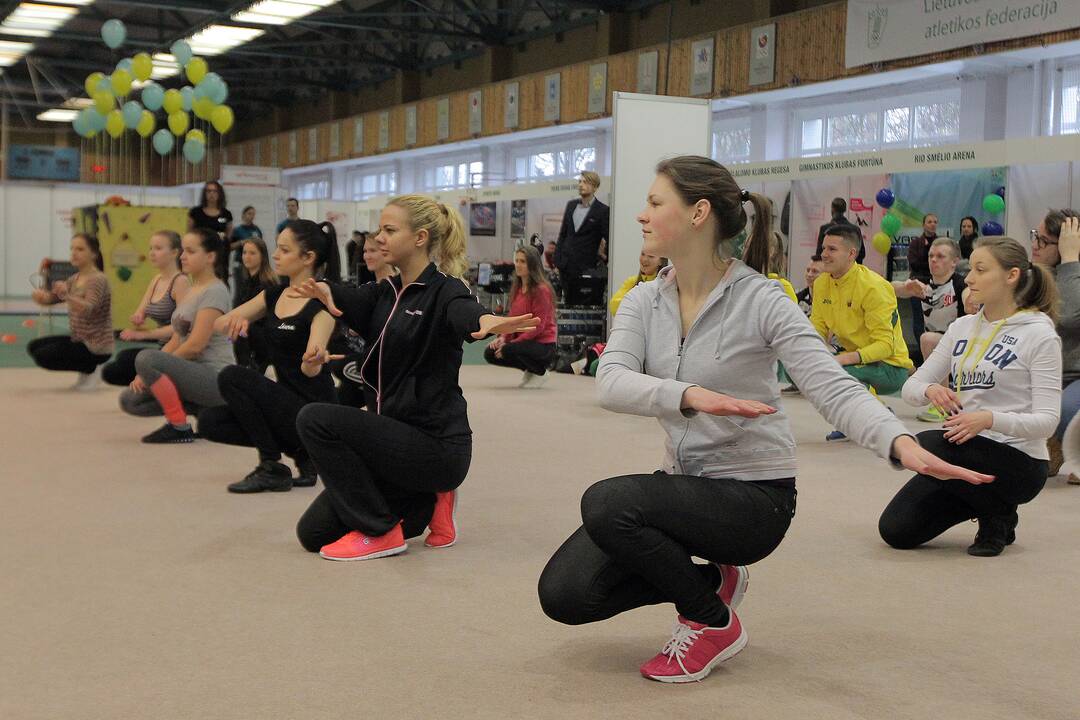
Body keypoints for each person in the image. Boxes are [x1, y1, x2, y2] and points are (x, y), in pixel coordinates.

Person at [535, 155, 991, 684]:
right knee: (565, 595)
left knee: (607, 501)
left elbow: (831, 385)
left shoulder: (763, 298)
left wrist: (899, 442)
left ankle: (712, 624)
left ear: (698, 213)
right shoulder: (645, 299)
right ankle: (710, 582)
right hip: (684, 487)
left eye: (655, 202)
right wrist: (691, 396)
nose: (641, 215)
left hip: (754, 498)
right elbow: (610, 380)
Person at [287, 194, 539, 561]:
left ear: (420, 237)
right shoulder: (384, 293)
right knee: (313, 534)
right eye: (379, 230)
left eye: (390, 230)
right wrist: (324, 290)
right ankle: (428, 500)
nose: (379, 239)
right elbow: (348, 299)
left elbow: (465, 312)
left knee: (315, 419)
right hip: (392, 442)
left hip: (436, 447)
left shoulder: (446, 290)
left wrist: (485, 322)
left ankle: (382, 530)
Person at [880, 236, 1060, 557]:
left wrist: (989, 419)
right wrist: (930, 388)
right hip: (963, 452)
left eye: (980, 269)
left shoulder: (1039, 333)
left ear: (1011, 275)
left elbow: (1047, 423)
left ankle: (998, 515)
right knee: (896, 530)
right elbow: (911, 388)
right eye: (970, 269)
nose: (970, 278)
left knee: (928, 443)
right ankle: (988, 504)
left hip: (1019, 462)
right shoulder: (961, 327)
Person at [197, 221, 340, 493]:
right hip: (285, 407)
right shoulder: (273, 295)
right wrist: (235, 322)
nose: (275, 255)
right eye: (277, 248)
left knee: (232, 376)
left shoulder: (322, 304)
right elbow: (220, 324)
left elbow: (312, 368)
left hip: (314, 413)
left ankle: (272, 465)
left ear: (308, 258)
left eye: (284, 250)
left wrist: (313, 359)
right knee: (209, 422)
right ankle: (302, 455)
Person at [118, 228, 232, 443]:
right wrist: (146, 374)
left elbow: (196, 345)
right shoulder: (192, 290)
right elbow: (177, 338)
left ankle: (179, 425)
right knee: (130, 400)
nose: (182, 256)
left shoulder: (215, 291)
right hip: (190, 373)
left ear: (210, 257)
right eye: (183, 251)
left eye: (190, 251)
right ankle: (199, 407)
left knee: (146, 358)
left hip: (215, 377)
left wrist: (156, 365)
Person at [812, 224, 913, 442]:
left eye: (831, 249)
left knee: (837, 372)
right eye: (823, 248)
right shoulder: (821, 284)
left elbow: (885, 345)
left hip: (890, 366)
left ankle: (870, 417)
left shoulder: (873, 287)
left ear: (851, 253)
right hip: (855, 360)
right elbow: (817, 329)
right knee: (805, 368)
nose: (824, 255)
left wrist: (839, 360)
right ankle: (867, 415)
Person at [102, 231, 190, 386]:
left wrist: (142, 335)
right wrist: (138, 317)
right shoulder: (156, 279)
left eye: (158, 248)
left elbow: (181, 329)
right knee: (118, 362)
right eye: (151, 248)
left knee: (120, 366)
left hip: (178, 349)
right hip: (161, 345)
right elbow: (141, 310)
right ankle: (155, 386)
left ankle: (165, 386)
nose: (152, 253)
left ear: (174, 252)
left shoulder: (181, 282)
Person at [28, 234, 114, 390]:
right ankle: (86, 368)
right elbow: (53, 299)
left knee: (44, 355)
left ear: (93, 254)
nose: (74, 253)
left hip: (96, 346)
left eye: (80, 249)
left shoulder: (98, 279)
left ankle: (94, 367)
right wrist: (41, 297)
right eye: (72, 249)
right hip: (79, 339)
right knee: (34, 347)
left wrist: (67, 295)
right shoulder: (74, 278)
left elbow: (89, 308)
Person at [893, 238, 967, 416]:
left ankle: (944, 403)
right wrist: (905, 286)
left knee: (928, 339)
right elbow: (888, 288)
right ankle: (940, 397)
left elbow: (969, 295)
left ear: (954, 261)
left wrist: (969, 299)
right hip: (940, 348)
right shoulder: (922, 285)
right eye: (931, 256)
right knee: (928, 341)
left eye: (940, 256)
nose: (934, 260)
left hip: (963, 345)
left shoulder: (959, 283)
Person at [1032, 209, 1080, 482]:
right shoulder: (1038, 275)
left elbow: (1070, 316)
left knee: (1067, 410)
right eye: (1034, 237)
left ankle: (1065, 440)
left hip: (1076, 377)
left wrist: (1071, 261)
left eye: (1042, 240)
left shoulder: (1072, 273)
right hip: (1048, 374)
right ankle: (1053, 441)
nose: (1035, 245)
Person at [331, 232, 397, 407]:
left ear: (386, 251)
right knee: (334, 405)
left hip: (383, 362)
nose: (367, 256)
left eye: (372, 251)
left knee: (339, 367)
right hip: (362, 354)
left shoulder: (398, 289)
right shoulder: (367, 288)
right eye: (365, 251)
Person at [484, 245, 558, 388]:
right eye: (517, 261)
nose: (518, 265)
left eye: (523, 261)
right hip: (523, 342)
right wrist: (502, 338)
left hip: (543, 345)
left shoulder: (542, 290)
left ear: (532, 264)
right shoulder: (517, 289)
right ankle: (530, 370)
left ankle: (540, 372)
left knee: (508, 350)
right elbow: (512, 320)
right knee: (490, 352)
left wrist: (511, 344)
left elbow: (538, 326)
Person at [554, 171, 609, 299]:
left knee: (584, 304)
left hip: (586, 267)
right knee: (567, 302)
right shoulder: (571, 205)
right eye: (580, 181)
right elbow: (563, 234)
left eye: (585, 182)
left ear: (595, 187)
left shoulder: (602, 211)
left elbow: (608, 238)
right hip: (565, 265)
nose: (581, 185)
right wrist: (557, 259)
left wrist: (605, 260)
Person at [231, 237, 279, 373]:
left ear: (262, 256)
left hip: (262, 336)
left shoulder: (267, 283)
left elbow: (261, 317)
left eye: (252, 253)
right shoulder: (245, 282)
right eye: (245, 252)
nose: (247, 257)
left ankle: (246, 366)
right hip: (247, 334)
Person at [905, 213, 938, 340]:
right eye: (930, 222)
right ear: (923, 225)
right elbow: (914, 263)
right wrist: (929, 263)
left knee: (936, 318)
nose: (933, 224)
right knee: (919, 318)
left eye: (935, 222)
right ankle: (920, 350)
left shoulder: (940, 243)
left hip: (936, 285)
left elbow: (942, 265)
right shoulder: (916, 243)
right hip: (917, 284)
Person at [609, 248, 667, 316]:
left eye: (651, 256)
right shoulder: (632, 281)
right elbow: (614, 306)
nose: (644, 259)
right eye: (643, 254)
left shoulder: (667, 284)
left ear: (661, 261)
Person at [814, 197, 864, 264]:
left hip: (831, 271)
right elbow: (862, 253)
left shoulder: (825, 228)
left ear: (832, 209)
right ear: (845, 210)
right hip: (851, 269)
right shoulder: (855, 229)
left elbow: (819, 254)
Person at [229, 206, 263, 291]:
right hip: (240, 264)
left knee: (254, 290)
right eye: (249, 213)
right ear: (243, 215)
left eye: (253, 214)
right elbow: (229, 247)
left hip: (255, 265)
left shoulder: (257, 229)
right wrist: (241, 243)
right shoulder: (237, 230)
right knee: (240, 291)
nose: (252, 216)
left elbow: (261, 246)